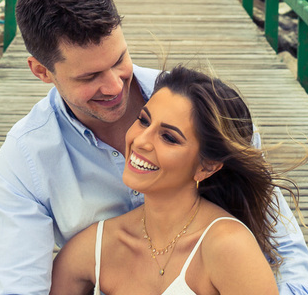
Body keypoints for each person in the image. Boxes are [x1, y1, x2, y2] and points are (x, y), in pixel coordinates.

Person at [0, 0, 308, 295]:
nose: (114, 86)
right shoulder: (26, 158)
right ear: (41, 71)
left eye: (119, 60)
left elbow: (282, 246)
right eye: (89, 77)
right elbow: (16, 286)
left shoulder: (208, 112)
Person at [49, 65, 294, 295]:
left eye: (168, 137)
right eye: (143, 121)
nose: (140, 141)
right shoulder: (97, 246)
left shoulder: (228, 246)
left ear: (207, 166)